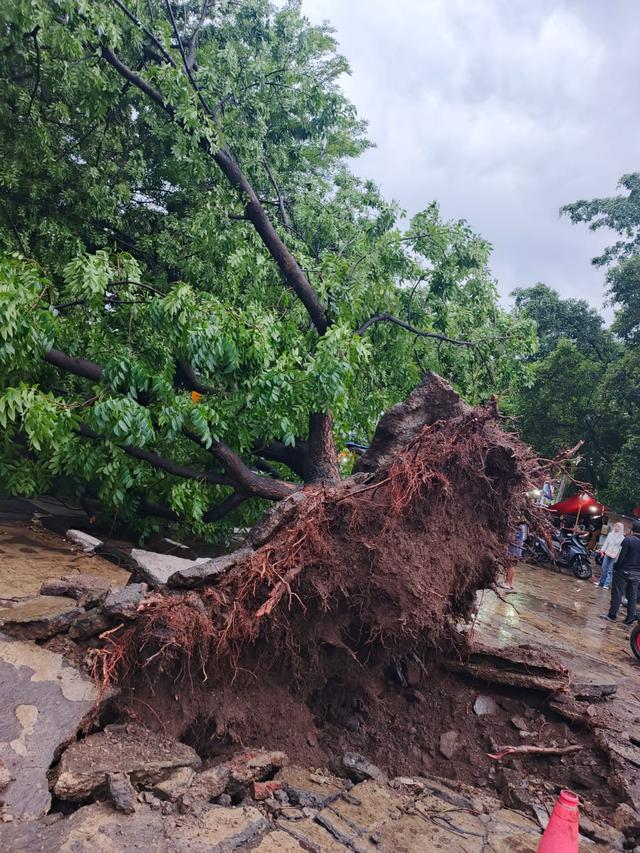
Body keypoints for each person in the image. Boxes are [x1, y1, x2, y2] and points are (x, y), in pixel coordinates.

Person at [604, 520, 640, 625]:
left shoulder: (628, 540)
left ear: (632, 529)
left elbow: (621, 556)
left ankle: (612, 615)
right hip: (637, 574)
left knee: (617, 593)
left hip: (623, 571)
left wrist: (616, 567)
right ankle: (630, 617)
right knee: (632, 595)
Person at [595, 522, 625, 589]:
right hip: (607, 553)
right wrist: (602, 551)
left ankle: (606, 584)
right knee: (603, 568)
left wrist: (618, 556)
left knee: (610, 570)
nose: (616, 528)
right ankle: (601, 582)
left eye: (618, 527)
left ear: (621, 528)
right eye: (616, 526)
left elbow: (620, 548)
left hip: (614, 555)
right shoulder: (610, 534)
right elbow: (606, 543)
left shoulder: (622, 537)